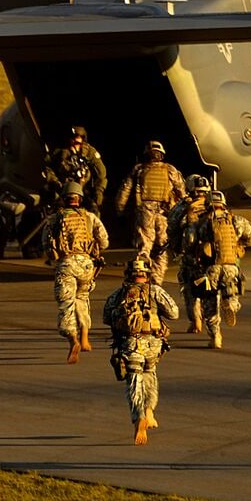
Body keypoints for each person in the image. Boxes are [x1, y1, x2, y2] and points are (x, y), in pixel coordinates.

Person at [101, 255, 180, 445]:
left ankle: (138, 417)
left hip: (131, 343)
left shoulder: (118, 294)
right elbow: (174, 313)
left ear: (127, 274)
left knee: (134, 381)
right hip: (153, 343)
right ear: (147, 274)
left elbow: (106, 317)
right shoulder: (156, 291)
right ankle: (150, 410)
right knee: (150, 374)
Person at [42, 180, 109, 364]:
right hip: (87, 265)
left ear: (64, 199)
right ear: (80, 198)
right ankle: (85, 337)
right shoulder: (90, 217)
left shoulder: (55, 218)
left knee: (66, 304)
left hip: (67, 265)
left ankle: (73, 339)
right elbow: (104, 241)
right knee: (82, 299)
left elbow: (46, 244)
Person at [191, 191, 251, 350]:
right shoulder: (236, 220)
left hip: (210, 269)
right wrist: (239, 244)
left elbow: (189, 241)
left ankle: (215, 336)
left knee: (209, 301)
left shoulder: (202, 222)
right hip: (231, 266)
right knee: (232, 291)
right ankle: (231, 305)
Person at [113, 140, 185, 260]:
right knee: (161, 246)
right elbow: (181, 191)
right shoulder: (170, 169)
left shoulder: (139, 169)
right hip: (164, 212)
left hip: (145, 211)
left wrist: (120, 209)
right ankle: (156, 277)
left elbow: (125, 190)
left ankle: (141, 270)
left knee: (144, 244)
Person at [167, 174, 214, 333]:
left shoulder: (183, 206)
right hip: (212, 256)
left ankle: (196, 322)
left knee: (189, 289)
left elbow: (172, 227)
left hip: (191, 255)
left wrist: (175, 248)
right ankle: (213, 322)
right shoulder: (216, 204)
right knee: (212, 289)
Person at [44, 125, 107, 213]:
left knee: (93, 210)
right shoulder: (59, 152)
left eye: (77, 142)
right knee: (55, 211)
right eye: (73, 140)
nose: (74, 144)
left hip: (83, 190)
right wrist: (55, 183)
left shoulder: (90, 152)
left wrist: (98, 191)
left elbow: (102, 173)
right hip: (63, 190)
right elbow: (48, 167)